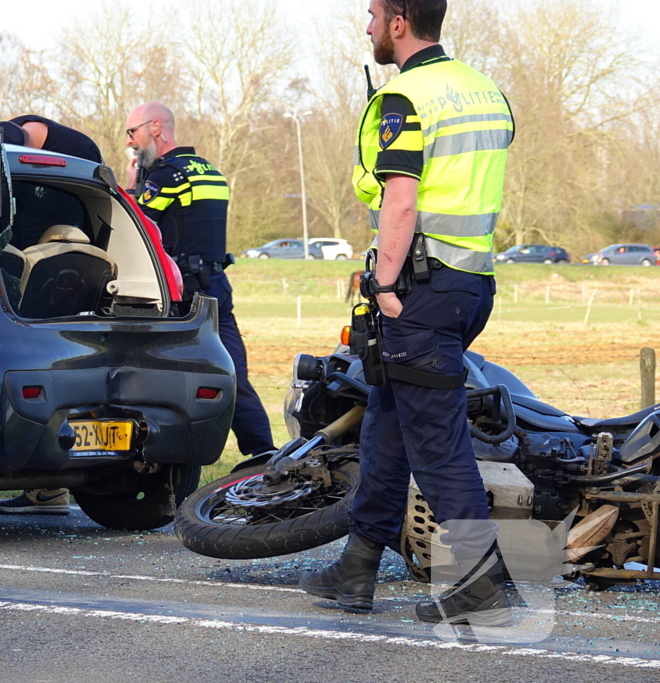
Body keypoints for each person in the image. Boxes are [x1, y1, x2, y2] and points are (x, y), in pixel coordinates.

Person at [298, 0, 515, 626]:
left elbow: (400, 200)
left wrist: (386, 283)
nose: (366, 27)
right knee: (387, 419)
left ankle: (481, 580)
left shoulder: (405, 99)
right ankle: (358, 565)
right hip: (470, 283)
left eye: (371, 15)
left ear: (398, 21)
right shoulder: (485, 90)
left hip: (419, 289)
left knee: (433, 435)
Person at [124, 101, 276, 458]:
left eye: (133, 132)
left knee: (157, 377)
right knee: (232, 374)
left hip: (181, 295)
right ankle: (263, 453)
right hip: (216, 286)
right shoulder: (209, 170)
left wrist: (132, 187)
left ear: (156, 128)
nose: (130, 142)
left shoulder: (166, 176)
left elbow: (137, 229)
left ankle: (163, 458)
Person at [0, 116, 102, 517]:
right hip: (69, 291)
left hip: (32, 290)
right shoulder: (77, 158)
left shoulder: (72, 153)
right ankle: (49, 491)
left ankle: (46, 489)